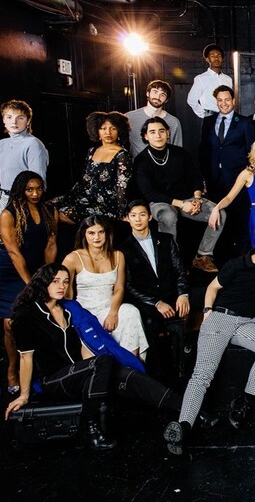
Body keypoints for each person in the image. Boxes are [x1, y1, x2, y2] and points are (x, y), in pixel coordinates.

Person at [4, 264, 213, 451]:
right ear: (43, 283)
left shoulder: (68, 309)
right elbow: (26, 359)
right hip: (52, 381)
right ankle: (91, 430)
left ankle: (192, 413)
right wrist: (23, 395)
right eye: (55, 281)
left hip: (77, 374)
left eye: (65, 281)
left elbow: (85, 347)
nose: (61, 286)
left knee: (126, 374)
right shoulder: (27, 315)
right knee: (104, 361)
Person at [163, 220, 255, 455]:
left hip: (246, 322)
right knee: (203, 374)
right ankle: (183, 425)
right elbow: (212, 288)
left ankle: (244, 404)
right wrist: (209, 312)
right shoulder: (237, 265)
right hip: (221, 319)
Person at [133, 116, 223, 273]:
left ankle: (203, 256)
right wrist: (181, 204)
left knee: (219, 212)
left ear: (168, 133)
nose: (158, 135)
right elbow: (150, 193)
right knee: (168, 216)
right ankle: (171, 262)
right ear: (146, 136)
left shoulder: (180, 153)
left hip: (188, 199)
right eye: (152, 132)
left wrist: (197, 199)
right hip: (160, 202)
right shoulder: (141, 160)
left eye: (161, 131)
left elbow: (196, 178)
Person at [0, 171, 58, 396]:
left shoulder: (49, 210)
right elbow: (13, 251)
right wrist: (30, 283)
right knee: (10, 322)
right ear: (20, 190)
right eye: (29, 189)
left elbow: (51, 245)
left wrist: (47, 276)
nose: (35, 193)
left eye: (39, 188)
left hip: (35, 269)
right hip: (9, 271)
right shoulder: (9, 213)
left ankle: (38, 369)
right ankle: (12, 370)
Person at [62, 216, 148, 357]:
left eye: (101, 232)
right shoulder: (73, 258)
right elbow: (67, 295)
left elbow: (119, 288)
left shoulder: (118, 255)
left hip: (110, 309)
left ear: (107, 234)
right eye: (92, 233)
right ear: (84, 234)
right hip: (85, 313)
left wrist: (113, 314)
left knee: (130, 311)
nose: (97, 237)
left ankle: (132, 366)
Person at [119, 200, 190, 365]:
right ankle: (156, 373)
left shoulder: (166, 239)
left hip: (171, 295)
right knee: (151, 327)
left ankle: (182, 369)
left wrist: (183, 294)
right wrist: (156, 303)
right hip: (146, 302)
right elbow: (128, 285)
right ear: (127, 219)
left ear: (150, 217)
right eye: (133, 215)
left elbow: (179, 270)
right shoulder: (123, 249)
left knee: (182, 321)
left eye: (142, 215)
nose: (138, 219)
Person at [200, 85, 255, 249]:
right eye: (220, 100)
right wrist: (203, 177)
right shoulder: (208, 122)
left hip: (237, 179)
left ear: (233, 100)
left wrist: (248, 176)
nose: (223, 103)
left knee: (239, 217)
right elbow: (203, 150)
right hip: (214, 179)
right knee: (217, 216)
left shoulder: (245, 122)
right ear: (216, 102)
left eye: (227, 100)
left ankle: (242, 252)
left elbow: (252, 152)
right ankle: (219, 252)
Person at [53, 111, 132, 224]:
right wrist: (68, 197)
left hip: (105, 203)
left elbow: (122, 187)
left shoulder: (123, 155)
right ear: (97, 131)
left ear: (120, 131)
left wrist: (122, 213)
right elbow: (84, 179)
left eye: (113, 128)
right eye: (103, 128)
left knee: (64, 215)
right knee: (50, 206)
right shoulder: (92, 151)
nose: (108, 132)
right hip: (84, 197)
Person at [0, 100, 48, 210]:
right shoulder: (2, 144)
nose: (14, 122)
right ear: (3, 120)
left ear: (28, 121)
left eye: (20, 118)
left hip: (23, 200)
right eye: (9, 117)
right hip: (3, 198)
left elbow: (38, 182)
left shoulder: (33, 144)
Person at [125, 79, 183, 158]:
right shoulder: (129, 118)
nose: (158, 97)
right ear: (147, 93)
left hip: (163, 166)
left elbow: (178, 151)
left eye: (162, 95)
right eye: (155, 92)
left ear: (166, 100)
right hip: (136, 167)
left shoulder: (173, 122)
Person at [186, 44, 232, 119]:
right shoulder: (201, 78)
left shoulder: (228, 79)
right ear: (207, 59)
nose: (216, 58)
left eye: (218, 55)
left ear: (222, 58)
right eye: (212, 56)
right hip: (211, 116)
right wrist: (204, 115)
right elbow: (191, 100)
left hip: (227, 116)